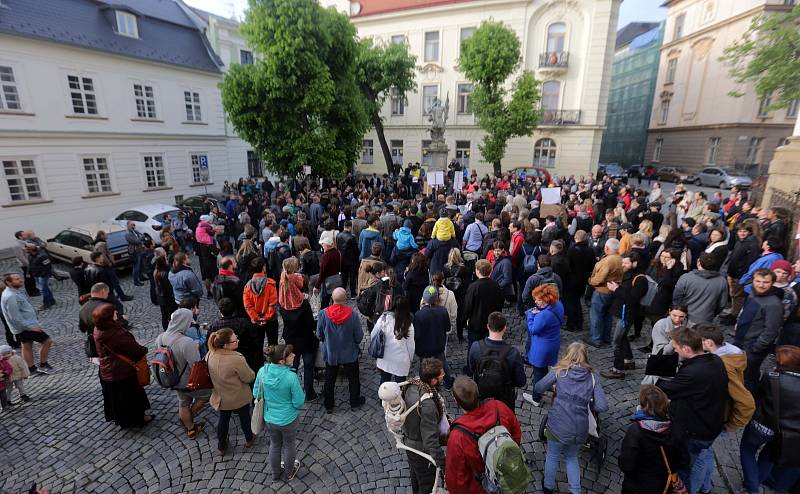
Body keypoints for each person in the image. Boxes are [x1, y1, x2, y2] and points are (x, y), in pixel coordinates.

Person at [657, 327, 728, 494]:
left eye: (675, 347)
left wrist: (657, 377)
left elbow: (665, 389)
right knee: (700, 459)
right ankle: (704, 487)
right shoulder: (714, 360)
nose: (674, 349)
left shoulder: (693, 372)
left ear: (686, 349)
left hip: (694, 432)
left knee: (683, 470)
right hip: (710, 425)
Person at [534, 342, 608, 494]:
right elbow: (602, 406)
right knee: (571, 457)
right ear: (586, 357)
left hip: (557, 425)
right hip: (579, 428)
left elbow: (538, 387)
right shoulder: (593, 378)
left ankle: (548, 487)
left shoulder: (560, 372)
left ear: (567, 355)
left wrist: (555, 387)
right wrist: (587, 402)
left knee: (553, 456)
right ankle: (575, 490)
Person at [445, 375, 523, 493]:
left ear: (456, 401)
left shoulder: (458, 436)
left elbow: (456, 478)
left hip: (481, 488)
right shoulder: (499, 407)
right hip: (507, 473)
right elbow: (516, 433)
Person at [738, 345, 800, 494]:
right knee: (769, 458)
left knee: (747, 451)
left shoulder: (771, 377)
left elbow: (757, 397)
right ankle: (753, 483)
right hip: (786, 432)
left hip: (762, 425)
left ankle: (752, 488)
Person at [619, 385, 690, 494]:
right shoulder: (677, 428)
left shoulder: (636, 431)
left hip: (637, 487)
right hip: (663, 486)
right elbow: (684, 461)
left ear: (643, 406)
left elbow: (626, 465)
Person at [92, 303, 153, 428]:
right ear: (108, 317)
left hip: (107, 370)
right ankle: (138, 419)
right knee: (130, 397)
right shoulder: (116, 334)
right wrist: (144, 349)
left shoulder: (98, 329)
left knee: (116, 399)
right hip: (122, 371)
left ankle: (120, 419)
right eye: (114, 313)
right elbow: (134, 349)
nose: (116, 314)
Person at [155, 307, 209, 439]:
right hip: (188, 380)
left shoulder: (160, 337)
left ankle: (190, 428)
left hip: (173, 378)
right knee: (207, 395)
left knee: (183, 402)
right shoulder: (187, 342)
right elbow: (196, 365)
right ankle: (189, 416)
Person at [255, 344, 304, 483]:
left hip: (270, 418)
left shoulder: (262, 372)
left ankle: (275, 474)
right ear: (282, 361)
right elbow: (299, 402)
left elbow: (256, 394)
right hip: (288, 419)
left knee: (275, 445)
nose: (294, 355)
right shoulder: (291, 377)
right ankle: (289, 473)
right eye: (290, 355)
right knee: (289, 445)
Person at [695, 324, 755, 432]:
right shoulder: (731, 354)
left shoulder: (723, 366)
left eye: (696, 342)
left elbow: (746, 403)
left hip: (717, 418)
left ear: (708, 343)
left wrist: (733, 425)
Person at [401, 358, 448, 494]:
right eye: (441, 375)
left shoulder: (412, 384)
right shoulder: (427, 405)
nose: (444, 376)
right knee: (426, 485)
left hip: (410, 444)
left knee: (416, 477)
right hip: (421, 452)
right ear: (433, 380)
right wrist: (442, 462)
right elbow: (430, 440)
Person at [734, 268, 784, 393]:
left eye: (765, 282)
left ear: (772, 283)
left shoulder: (774, 304)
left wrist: (756, 347)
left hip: (752, 348)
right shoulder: (752, 294)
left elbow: (771, 331)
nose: (761, 285)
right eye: (758, 281)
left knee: (748, 378)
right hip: (741, 342)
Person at [316, 287, 365, 413]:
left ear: (332, 298)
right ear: (346, 299)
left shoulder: (323, 314)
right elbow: (359, 337)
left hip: (331, 354)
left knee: (329, 380)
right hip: (349, 354)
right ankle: (354, 402)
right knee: (354, 379)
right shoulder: (353, 315)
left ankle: (329, 405)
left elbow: (319, 334)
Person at [207, 328, 255, 455]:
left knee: (223, 420)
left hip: (221, 396)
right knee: (245, 417)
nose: (237, 340)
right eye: (234, 340)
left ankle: (221, 446)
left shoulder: (210, 354)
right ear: (226, 345)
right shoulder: (236, 359)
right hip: (238, 396)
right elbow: (249, 377)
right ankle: (249, 439)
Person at [602, 251, 648, 379]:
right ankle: (628, 361)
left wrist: (616, 289)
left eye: (626, 263)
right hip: (622, 311)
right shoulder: (630, 273)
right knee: (622, 338)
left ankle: (618, 370)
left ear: (635, 263)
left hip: (626, 314)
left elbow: (632, 299)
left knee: (617, 342)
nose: (623, 265)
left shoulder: (640, 279)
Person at [278, 257, 318, 400]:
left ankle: (291, 392)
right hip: (306, 339)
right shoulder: (303, 304)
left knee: (292, 367)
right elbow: (310, 324)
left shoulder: (282, 302)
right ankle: (309, 392)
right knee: (308, 366)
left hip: (291, 339)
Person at [468, 311, 526, 411]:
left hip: (482, 398)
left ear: (487, 326)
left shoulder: (476, 346)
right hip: (505, 402)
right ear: (505, 328)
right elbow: (521, 382)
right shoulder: (513, 353)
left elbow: (472, 368)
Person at [0, 274, 54, 376]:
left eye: (20, 278)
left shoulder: (12, 292)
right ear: (8, 282)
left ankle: (31, 369)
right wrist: (31, 327)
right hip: (26, 326)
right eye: (17, 279)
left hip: (25, 325)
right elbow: (14, 317)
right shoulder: (10, 296)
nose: (21, 280)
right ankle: (43, 364)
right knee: (47, 341)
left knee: (26, 345)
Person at [462, 259, 504, 358]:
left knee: (474, 347)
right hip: (491, 322)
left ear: (477, 271)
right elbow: (500, 303)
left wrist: (463, 321)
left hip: (476, 323)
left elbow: (467, 306)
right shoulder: (496, 285)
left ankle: (471, 368)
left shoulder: (473, 287)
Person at [586, 238, 623, 348]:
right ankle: (606, 338)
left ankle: (596, 339)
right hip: (613, 291)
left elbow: (599, 278)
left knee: (596, 315)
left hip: (602, 291)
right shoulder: (620, 259)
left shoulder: (608, 261)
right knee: (607, 315)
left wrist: (590, 281)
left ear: (607, 248)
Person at [672, 252, 727, 325]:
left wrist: (681, 312)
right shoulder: (722, 281)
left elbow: (677, 298)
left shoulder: (686, 278)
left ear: (698, 262)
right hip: (707, 319)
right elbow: (722, 304)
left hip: (686, 317)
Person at [413, 286, 453, 388]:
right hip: (438, 346)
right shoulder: (443, 311)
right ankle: (448, 382)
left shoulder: (419, 315)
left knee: (425, 368)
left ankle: (426, 385)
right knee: (442, 364)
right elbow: (448, 328)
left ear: (424, 298)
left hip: (424, 349)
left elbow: (416, 334)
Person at [372, 295, 415, 383]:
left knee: (384, 383)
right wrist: (410, 359)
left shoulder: (384, 319)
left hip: (385, 358)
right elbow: (411, 347)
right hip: (401, 361)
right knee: (400, 386)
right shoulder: (408, 325)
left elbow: (373, 335)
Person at [243, 257, 279, 347]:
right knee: (273, 344)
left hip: (256, 321)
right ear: (263, 267)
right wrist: (266, 317)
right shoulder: (270, 284)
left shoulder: (247, 286)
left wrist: (256, 318)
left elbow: (248, 305)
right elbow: (273, 304)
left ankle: (259, 360)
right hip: (271, 320)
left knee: (258, 345)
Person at [564, 230, 595, 332]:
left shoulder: (572, 250)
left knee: (572, 302)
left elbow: (567, 266)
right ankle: (579, 322)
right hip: (583, 280)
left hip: (572, 280)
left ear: (576, 237)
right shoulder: (590, 250)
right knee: (577, 301)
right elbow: (592, 266)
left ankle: (572, 324)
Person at [153, 256, 178, 331]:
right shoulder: (165, 274)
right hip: (167, 298)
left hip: (161, 298)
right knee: (172, 314)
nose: (167, 261)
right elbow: (169, 288)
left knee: (164, 315)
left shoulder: (156, 272)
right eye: (166, 259)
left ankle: (166, 329)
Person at [27, 244, 55, 310]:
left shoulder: (43, 256)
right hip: (36, 275)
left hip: (43, 275)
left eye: (27, 249)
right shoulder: (30, 256)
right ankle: (51, 300)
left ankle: (46, 304)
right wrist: (28, 273)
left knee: (43, 289)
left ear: (31, 250)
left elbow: (48, 266)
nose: (25, 250)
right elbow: (30, 265)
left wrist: (42, 274)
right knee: (45, 288)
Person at [337, 220, 360, 297]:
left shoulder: (338, 235)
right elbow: (356, 250)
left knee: (344, 277)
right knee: (352, 277)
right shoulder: (352, 237)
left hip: (342, 259)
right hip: (352, 260)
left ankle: (342, 292)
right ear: (350, 227)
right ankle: (353, 293)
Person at [125, 222, 146, 286]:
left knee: (141, 265)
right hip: (134, 252)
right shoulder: (128, 234)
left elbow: (143, 235)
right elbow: (136, 241)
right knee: (136, 267)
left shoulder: (134, 231)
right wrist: (140, 238)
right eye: (132, 225)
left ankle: (141, 277)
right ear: (128, 225)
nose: (133, 226)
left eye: (134, 225)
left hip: (139, 250)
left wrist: (140, 237)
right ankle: (136, 281)